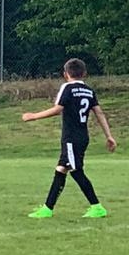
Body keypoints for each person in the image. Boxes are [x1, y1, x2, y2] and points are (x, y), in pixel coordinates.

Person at [22, 58, 116, 219]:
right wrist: (109, 135)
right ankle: (47, 208)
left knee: (76, 171)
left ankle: (97, 207)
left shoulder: (67, 87)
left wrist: (34, 116)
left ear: (65, 74)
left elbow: (58, 109)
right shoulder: (89, 90)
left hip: (71, 138)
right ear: (84, 73)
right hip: (82, 136)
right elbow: (99, 113)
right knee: (61, 169)